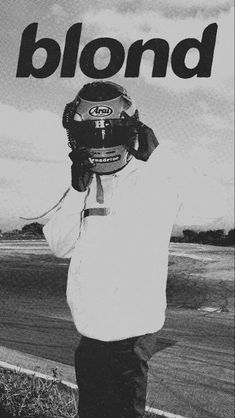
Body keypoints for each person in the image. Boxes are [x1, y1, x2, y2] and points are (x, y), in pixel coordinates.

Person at [43, 81, 182, 418]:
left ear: (130, 131)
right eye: (92, 136)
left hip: (130, 337)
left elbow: (209, 204)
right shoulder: (82, 184)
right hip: (91, 336)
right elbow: (60, 246)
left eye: (109, 134)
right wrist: (78, 190)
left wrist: (158, 154)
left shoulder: (153, 180)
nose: (101, 145)